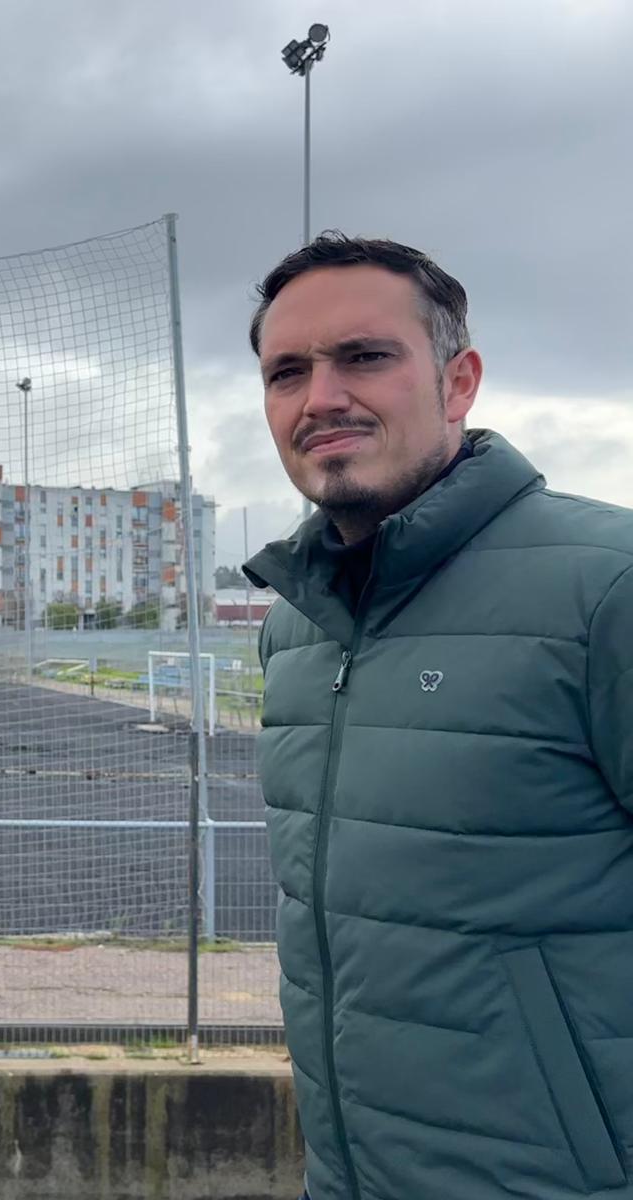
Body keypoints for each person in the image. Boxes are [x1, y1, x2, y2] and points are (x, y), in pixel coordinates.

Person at [242, 234, 633, 1200]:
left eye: (365, 357)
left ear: (459, 382)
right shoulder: (294, 626)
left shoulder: (606, 590)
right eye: (287, 372)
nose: (320, 397)